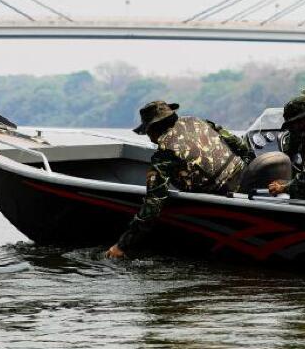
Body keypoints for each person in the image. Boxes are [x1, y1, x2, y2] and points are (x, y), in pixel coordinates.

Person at [106, 100, 253, 259]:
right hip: (248, 178)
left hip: (223, 197)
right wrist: (249, 168)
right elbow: (240, 146)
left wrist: (122, 245)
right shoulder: (198, 121)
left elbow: (153, 205)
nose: (149, 137)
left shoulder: (165, 153)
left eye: (148, 131)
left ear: (154, 128)